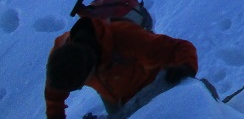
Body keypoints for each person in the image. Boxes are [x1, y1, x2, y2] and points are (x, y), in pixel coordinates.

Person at [44, 15, 198, 118]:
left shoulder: (124, 36)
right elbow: (54, 95)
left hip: (152, 86)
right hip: (115, 96)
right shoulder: (60, 59)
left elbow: (180, 47)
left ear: (92, 69)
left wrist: (186, 67)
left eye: (80, 86)